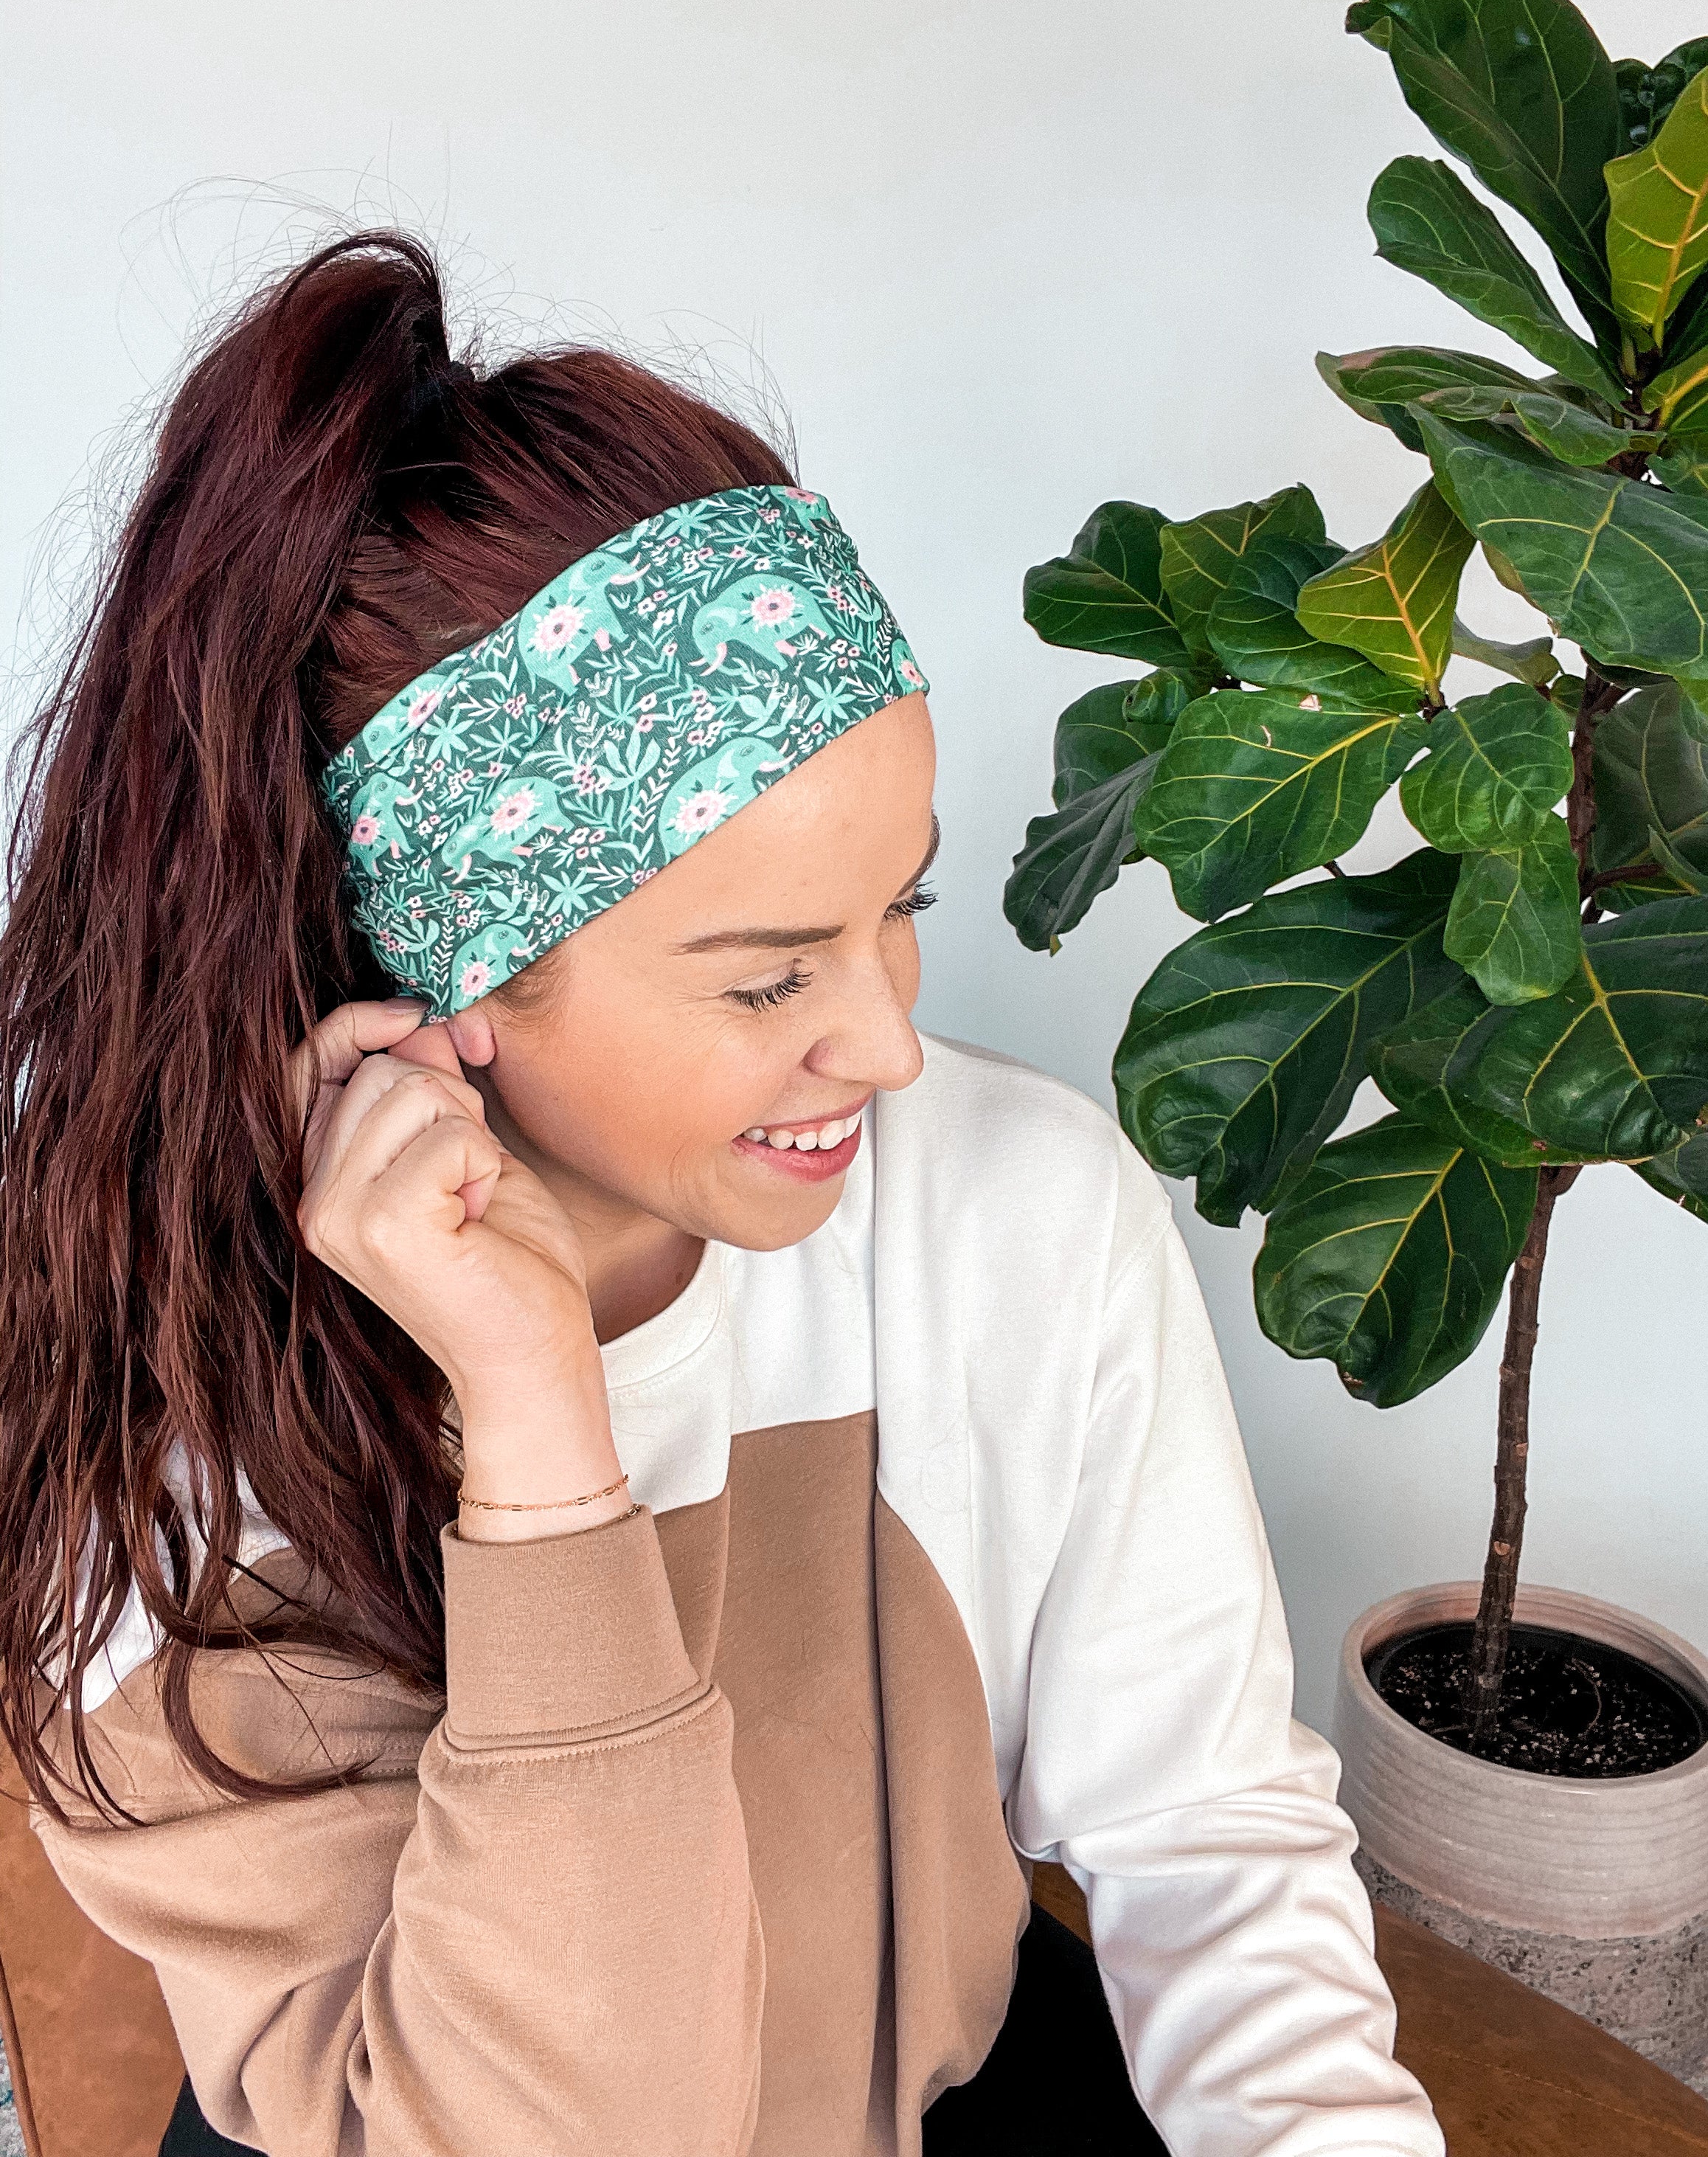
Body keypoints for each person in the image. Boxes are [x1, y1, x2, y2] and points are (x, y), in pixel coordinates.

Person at [0, 231, 1443, 2157]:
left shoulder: (1021, 1213)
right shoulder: (164, 1441)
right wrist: (535, 1426)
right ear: (451, 973)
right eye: (768, 975)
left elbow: (1202, 1833)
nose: (889, 1047)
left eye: (898, 911)